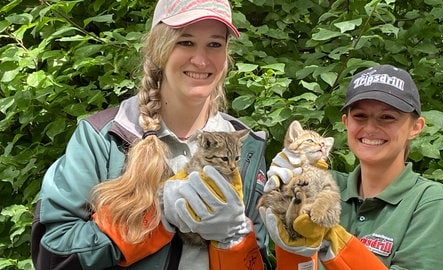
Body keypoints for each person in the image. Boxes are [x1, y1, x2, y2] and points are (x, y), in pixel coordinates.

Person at [31, 0, 271, 269]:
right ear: (160, 48)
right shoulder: (104, 136)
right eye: (186, 42)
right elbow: (52, 254)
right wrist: (157, 216)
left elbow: (259, 260)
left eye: (214, 44)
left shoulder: (245, 146)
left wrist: (239, 240)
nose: (201, 60)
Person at [260, 64, 443, 269]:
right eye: (360, 116)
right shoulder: (324, 183)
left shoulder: (430, 201)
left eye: (387, 117)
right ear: (346, 122)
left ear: (415, 127)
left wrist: (334, 242)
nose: (371, 128)